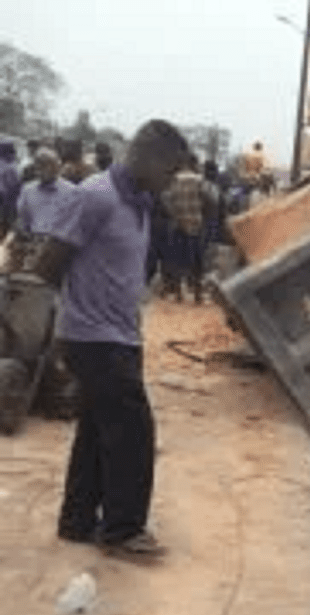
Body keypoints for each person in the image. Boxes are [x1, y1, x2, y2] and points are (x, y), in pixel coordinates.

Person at [33, 119, 190, 559]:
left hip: (119, 336)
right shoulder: (96, 196)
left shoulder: (138, 202)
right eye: (170, 170)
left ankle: (77, 521)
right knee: (133, 432)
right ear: (147, 157)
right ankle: (122, 531)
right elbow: (48, 263)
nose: (172, 180)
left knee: (97, 429)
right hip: (95, 338)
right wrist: (74, 316)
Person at [9, 148, 79, 272]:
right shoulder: (28, 190)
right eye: (39, 165)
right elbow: (23, 220)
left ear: (57, 167)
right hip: (32, 246)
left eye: (47, 165)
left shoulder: (72, 191)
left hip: (57, 249)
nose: (42, 170)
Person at [162, 153, 205, 303]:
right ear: (193, 164)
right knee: (196, 261)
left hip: (178, 224)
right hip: (196, 224)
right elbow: (209, 199)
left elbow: (166, 199)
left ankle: (179, 295)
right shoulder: (200, 180)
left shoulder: (173, 180)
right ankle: (198, 296)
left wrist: (175, 214)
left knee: (178, 259)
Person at [0, 140, 21, 241]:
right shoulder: (12, 165)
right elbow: (14, 183)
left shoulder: (7, 164)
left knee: (5, 219)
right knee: (7, 220)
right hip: (8, 195)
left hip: (6, 195)